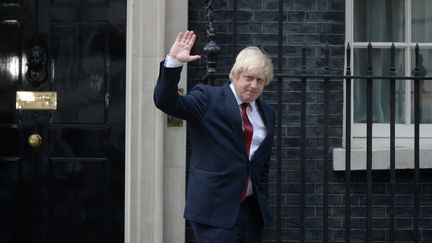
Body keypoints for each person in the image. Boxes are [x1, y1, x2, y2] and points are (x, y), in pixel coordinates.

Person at [154, 30, 275, 243]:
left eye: (260, 80)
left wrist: (261, 196)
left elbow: (261, 163)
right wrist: (173, 63)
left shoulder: (267, 113)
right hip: (214, 211)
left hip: (251, 212)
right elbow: (166, 101)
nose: (254, 85)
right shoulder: (207, 98)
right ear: (235, 74)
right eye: (248, 78)